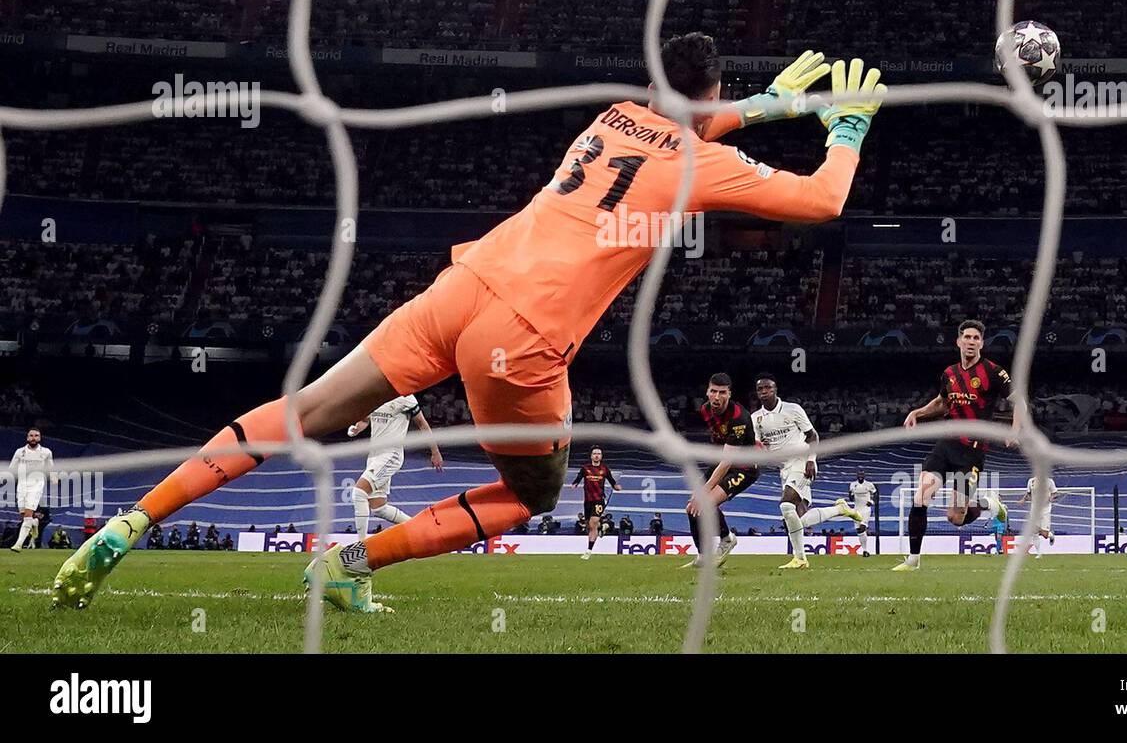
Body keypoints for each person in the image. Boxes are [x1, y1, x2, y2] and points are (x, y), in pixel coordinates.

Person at [52, 35, 886, 612]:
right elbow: (823, 200)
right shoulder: (704, 163)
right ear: (708, 96)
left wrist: (769, 105)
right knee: (534, 494)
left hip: (464, 282)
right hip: (521, 339)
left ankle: (135, 519)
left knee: (306, 411)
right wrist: (844, 126)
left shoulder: (611, 119)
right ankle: (351, 563)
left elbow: (684, 120)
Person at [894, 320, 1016, 571]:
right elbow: (942, 402)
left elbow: (1020, 402)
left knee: (955, 517)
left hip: (972, 452)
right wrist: (918, 412)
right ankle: (913, 560)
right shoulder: (949, 374)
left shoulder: (994, 372)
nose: (971, 342)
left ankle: (989, 504)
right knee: (921, 497)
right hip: (947, 445)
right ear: (958, 342)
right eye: (967, 337)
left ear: (981, 343)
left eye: (976, 338)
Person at [752, 373, 861, 570]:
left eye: (768, 387)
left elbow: (813, 436)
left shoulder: (793, 410)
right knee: (798, 519)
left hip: (802, 461)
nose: (764, 392)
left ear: (775, 389)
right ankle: (840, 509)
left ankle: (800, 559)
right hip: (784, 468)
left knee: (786, 506)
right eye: (760, 389)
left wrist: (811, 459)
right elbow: (759, 445)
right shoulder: (756, 418)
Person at [683, 372, 758, 568]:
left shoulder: (738, 417)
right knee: (692, 508)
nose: (717, 397)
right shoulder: (705, 410)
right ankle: (702, 556)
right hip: (721, 462)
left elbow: (727, 461)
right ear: (707, 392)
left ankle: (726, 539)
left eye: (722, 392)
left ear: (729, 394)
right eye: (713, 391)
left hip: (744, 467)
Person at [347, 395, 444, 538]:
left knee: (359, 493)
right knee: (379, 507)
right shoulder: (375, 395)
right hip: (374, 456)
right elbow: (365, 420)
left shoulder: (406, 398)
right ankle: (421, 531)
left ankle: (361, 546)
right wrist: (356, 428)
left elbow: (423, 424)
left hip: (391, 455)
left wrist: (435, 452)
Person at [571, 446, 620, 559]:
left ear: (601, 456)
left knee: (593, 522)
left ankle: (588, 551)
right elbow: (578, 477)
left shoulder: (605, 469)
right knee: (590, 525)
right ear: (591, 456)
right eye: (595, 453)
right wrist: (575, 484)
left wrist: (616, 486)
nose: (597, 455)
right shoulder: (585, 468)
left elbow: (612, 481)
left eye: (599, 453)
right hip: (587, 501)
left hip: (599, 500)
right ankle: (602, 526)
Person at [8, 428, 52, 552]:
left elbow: (51, 468)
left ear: (40, 438)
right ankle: (34, 523)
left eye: (36, 435)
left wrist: (54, 477)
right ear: (27, 438)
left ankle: (18, 544)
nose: (34, 438)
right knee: (24, 516)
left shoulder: (46, 452)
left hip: (36, 485)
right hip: (22, 485)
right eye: (31, 435)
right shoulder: (19, 452)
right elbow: (12, 468)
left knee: (28, 514)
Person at [1017, 475, 1057, 557]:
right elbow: (1028, 493)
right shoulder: (1031, 481)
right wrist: (1023, 500)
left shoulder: (1049, 481)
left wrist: (1051, 498)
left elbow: (1055, 493)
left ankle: (1051, 535)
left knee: (1045, 534)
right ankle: (1039, 554)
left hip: (1045, 510)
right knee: (1034, 532)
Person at [848, 472, 877, 556]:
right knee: (859, 531)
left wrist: (872, 501)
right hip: (856, 509)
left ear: (864, 476)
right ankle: (865, 550)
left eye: (862, 475)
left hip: (865, 509)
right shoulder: (853, 485)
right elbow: (851, 498)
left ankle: (865, 550)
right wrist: (850, 493)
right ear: (857, 476)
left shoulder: (869, 485)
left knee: (862, 527)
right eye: (859, 475)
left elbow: (875, 494)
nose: (860, 477)